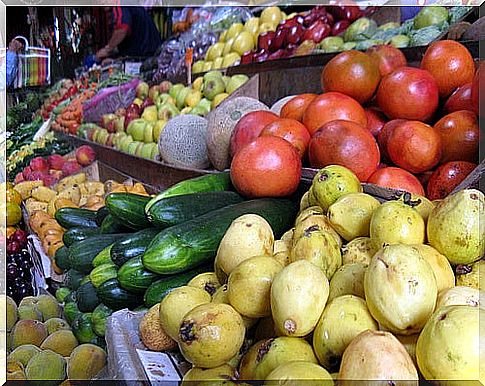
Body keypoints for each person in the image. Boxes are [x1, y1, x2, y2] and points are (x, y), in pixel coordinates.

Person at [95, 7, 162, 63]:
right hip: (148, 52)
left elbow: (122, 29)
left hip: (143, 56)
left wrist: (107, 49)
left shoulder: (120, 5)